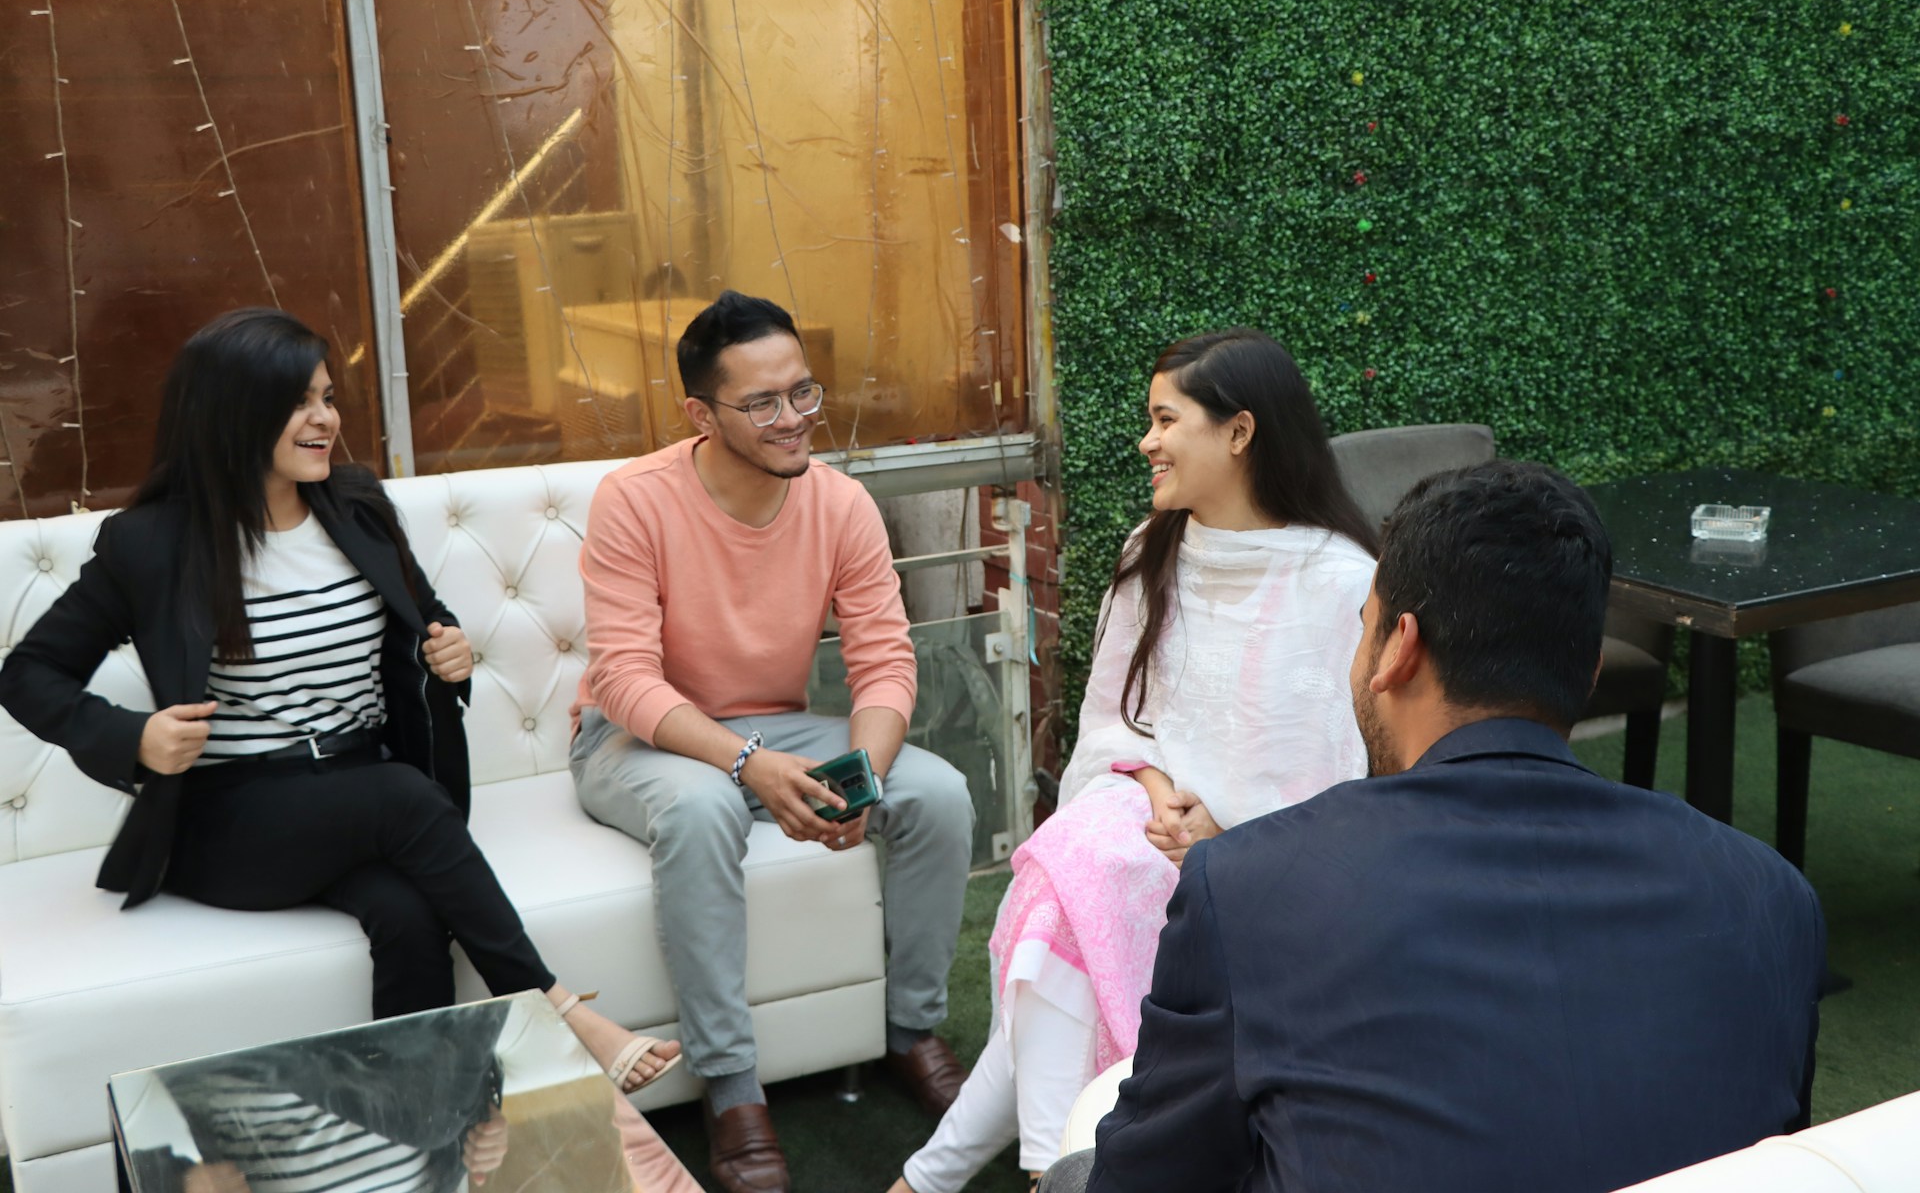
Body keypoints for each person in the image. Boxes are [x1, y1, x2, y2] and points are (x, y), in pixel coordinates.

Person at [1049, 461, 1826, 1193]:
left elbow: (1147, 1175)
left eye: (1363, 627)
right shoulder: (1772, 895)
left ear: (1399, 649)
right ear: (1587, 672)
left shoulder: (1250, 886)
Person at [0, 309, 685, 1107]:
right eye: (298, 403)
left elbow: (428, 619)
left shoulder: (354, 507)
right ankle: (554, 1008)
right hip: (231, 818)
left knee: (409, 917)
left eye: (326, 398)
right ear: (233, 414)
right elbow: (29, 674)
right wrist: (133, 738)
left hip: (359, 793)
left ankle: (427, 1133)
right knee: (402, 797)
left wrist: (450, 655)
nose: (324, 419)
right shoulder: (151, 543)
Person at [892, 329, 1379, 1193]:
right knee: (1079, 878)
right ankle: (1041, 1170)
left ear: (1239, 432)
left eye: (1165, 419)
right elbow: (1116, 724)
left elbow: (1344, 775)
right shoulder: (1148, 554)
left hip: (1272, 858)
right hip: (1144, 817)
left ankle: (961, 1176)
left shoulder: (1342, 582)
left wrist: (1227, 829)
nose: (1146, 441)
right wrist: (1158, 791)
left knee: (1060, 910)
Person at [568, 290, 976, 1193]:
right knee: (707, 804)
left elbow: (884, 665)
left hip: (771, 726)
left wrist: (859, 780)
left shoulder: (840, 504)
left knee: (937, 792)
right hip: (635, 736)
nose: (793, 419)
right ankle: (732, 1087)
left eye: (803, 392)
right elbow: (628, 679)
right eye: (761, 403)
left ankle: (908, 1030)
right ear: (699, 415)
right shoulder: (633, 499)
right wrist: (748, 762)